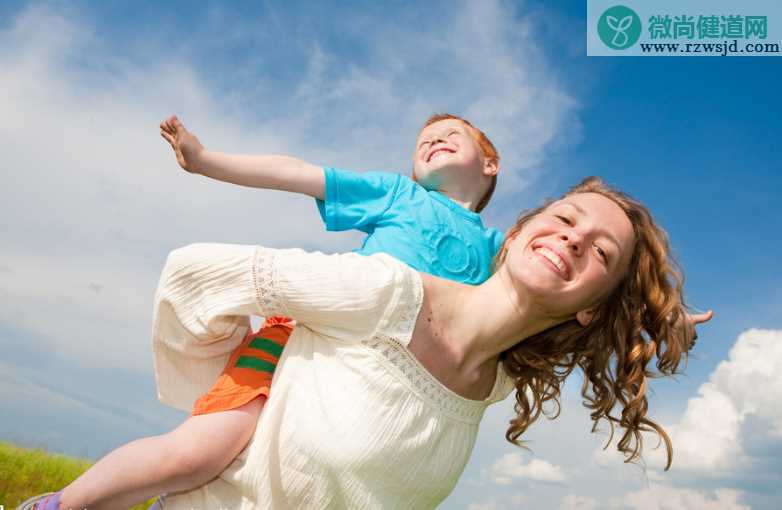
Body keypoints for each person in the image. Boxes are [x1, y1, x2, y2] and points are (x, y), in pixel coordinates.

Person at [25, 176, 712, 509]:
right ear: (520, 231)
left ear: (593, 310)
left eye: (600, 252)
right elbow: (196, 273)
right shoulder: (387, 293)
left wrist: (660, 319)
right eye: (565, 218)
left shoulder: (498, 381)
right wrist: (231, 384)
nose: (572, 238)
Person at [20, 112, 505, 510]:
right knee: (197, 454)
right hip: (295, 343)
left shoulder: (500, 251)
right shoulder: (402, 195)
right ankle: (57, 506)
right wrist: (207, 161)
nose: (434, 139)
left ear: (490, 162)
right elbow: (297, 173)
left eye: (452, 134)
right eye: (424, 139)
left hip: (368, 389)